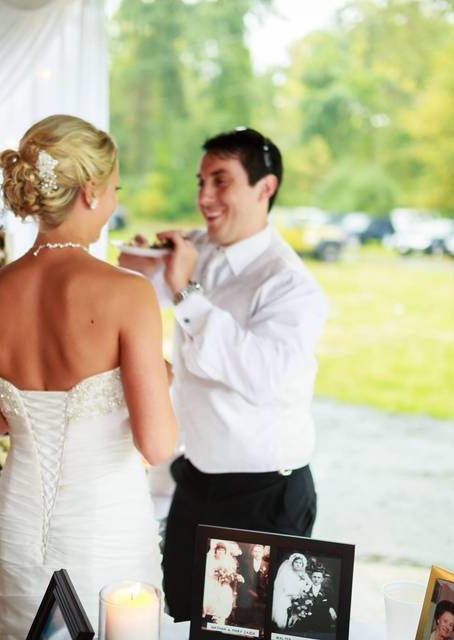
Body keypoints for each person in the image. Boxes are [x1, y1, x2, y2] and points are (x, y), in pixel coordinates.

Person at [0, 114, 178, 639]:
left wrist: (31, 406)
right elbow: (158, 444)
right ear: (91, 191)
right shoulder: (128, 292)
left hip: (20, 526)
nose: (115, 203)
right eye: (114, 189)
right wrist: (154, 379)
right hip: (108, 525)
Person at [118, 127, 328, 620]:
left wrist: (188, 293)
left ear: (265, 188)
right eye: (200, 182)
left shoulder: (292, 286)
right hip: (197, 480)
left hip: (263, 496)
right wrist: (138, 264)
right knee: (183, 612)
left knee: (246, 631)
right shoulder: (200, 252)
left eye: (220, 182)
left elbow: (259, 374)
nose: (204, 198)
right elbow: (142, 297)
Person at [202, 542, 243, 625]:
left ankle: (218, 617)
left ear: (225, 552)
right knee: (209, 593)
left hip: (222, 583)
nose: (220, 552)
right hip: (210, 581)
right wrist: (217, 574)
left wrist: (226, 577)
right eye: (219, 550)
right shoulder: (210, 560)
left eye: (222, 551)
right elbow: (207, 573)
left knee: (225, 593)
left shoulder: (227, 562)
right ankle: (207, 615)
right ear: (215, 551)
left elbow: (230, 573)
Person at [271, 553, 313, 629]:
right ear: (292, 563)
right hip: (287, 597)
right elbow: (286, 588)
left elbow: (310, 584)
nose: (298, 564)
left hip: (299, 599)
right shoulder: (287, 573)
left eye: (300, 563)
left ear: (302, 564)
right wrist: (297, 593)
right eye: (296, 562)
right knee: (284, 618)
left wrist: (303, 591)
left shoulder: (303, 574)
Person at [233, 544, 269, 627]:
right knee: (242, 620)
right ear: (252, 552)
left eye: (259, 551)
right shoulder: (246, 562)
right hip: (246, 592)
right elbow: (240, 574)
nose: (257, 553)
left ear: (263, 552)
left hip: (260, 596)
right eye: (255, 551)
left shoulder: (267, 565)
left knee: (257, 621)